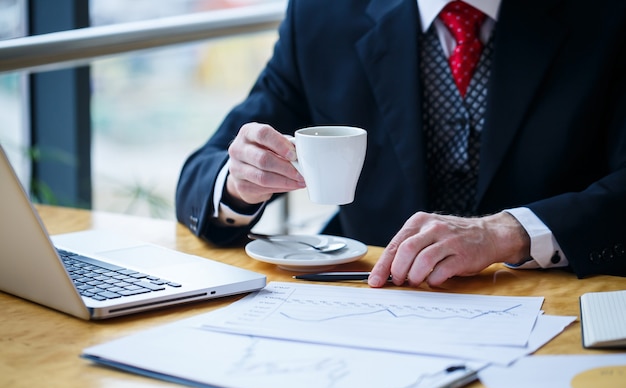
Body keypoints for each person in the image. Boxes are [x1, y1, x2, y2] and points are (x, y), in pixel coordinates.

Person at [176, 0, 626, 288]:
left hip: (552, 295)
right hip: (366, 297)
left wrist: (510, 232)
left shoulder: (608, 16)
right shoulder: (322, 15)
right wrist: (238, 182)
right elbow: (205, 171)